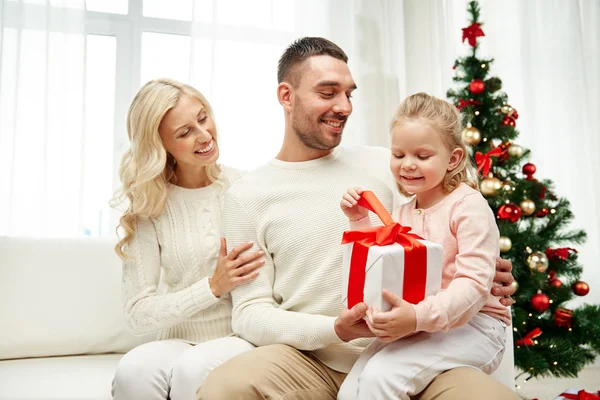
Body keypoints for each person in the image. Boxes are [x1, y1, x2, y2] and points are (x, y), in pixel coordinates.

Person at [197, 37, 518, 400]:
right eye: (328, 92)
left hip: (420, 342)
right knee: (225, 386)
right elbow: (250, 314)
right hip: (314, 360)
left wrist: (493, 271)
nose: (344, 106)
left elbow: (449, 234)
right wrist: (336, 329)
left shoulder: (393, 164)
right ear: (286, 96)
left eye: (349, 94)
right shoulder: (247, 196)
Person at [337, 93, 511, 400]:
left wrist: (416, 318)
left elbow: (472, 286)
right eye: (399, 155)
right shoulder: (404, 212)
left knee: (381, 378)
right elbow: (378, 260)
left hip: (476, 326)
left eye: (422, 156)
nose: (408, 165)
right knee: (351, 390)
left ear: (453, 159)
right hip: (422, 323)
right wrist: (360, 220)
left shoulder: (468, 208)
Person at [110, 78, 264, 400]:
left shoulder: (247, 187)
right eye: (185, 132)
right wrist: (212, 286)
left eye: (203, 117)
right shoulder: (149, 204)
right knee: (133, 370)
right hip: (176, 338)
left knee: (193, 368)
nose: (205, 135)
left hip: (237, 334)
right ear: (161, 146)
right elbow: (137, 313)